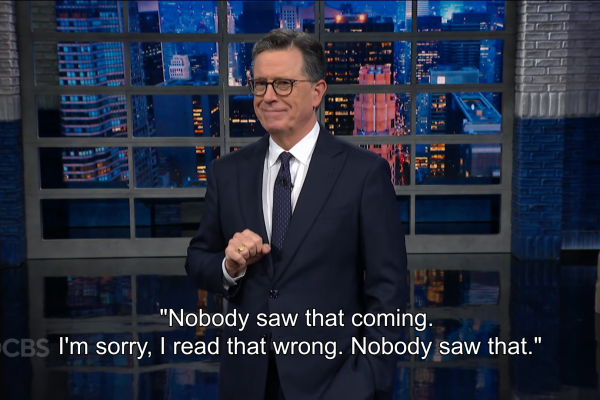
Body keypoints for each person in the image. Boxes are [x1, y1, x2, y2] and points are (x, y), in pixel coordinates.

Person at [185, 28, 407, 400]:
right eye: (260, 84)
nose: (268, 96)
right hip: (247, 381)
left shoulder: (363, 174)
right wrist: (229, 266)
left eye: (284, 84)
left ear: (317, 92)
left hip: (336, 383)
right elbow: (197, 260)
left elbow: (389, 289)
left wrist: (369, 377)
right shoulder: (227, 172)